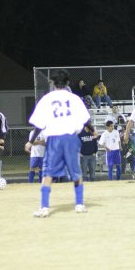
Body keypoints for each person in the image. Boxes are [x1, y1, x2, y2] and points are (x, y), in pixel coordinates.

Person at [25, 69, 91, 217]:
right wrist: (92, 130)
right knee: (76, 171)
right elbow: (86, 119)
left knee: (48, 172)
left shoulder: (47, 99)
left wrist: (30, 141)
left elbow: (39, 125)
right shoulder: (74, 98)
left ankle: (44, 207)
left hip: (54, 138)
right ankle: (79, 204)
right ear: (68, 83)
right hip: (70, 138)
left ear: (53, 84)